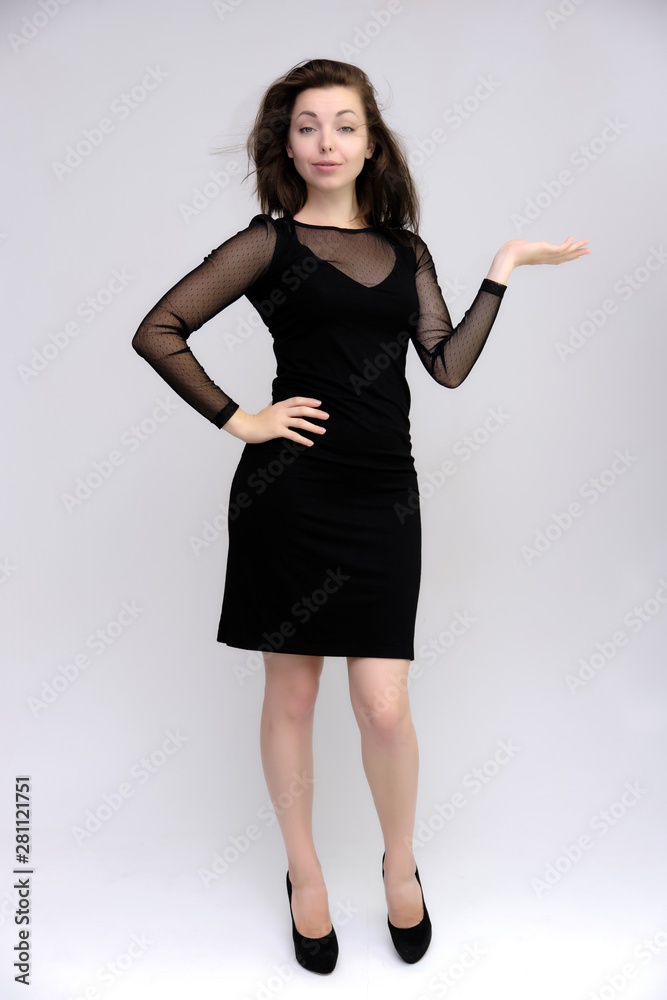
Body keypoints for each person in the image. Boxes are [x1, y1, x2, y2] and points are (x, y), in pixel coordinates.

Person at [131, 57, 589, 974]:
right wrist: (242, 420)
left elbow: (445, 366)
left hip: (382, 495)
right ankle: (303, 876)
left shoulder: (405, 251)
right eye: (306, 126)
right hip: (289, 494)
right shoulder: (267, 243)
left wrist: (502, 268)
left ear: (371, 142)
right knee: (293, 696)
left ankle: (399, 862)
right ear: (286, 143)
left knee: (383, 706)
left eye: (344, 125)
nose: (325, 142)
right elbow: (158, 329)